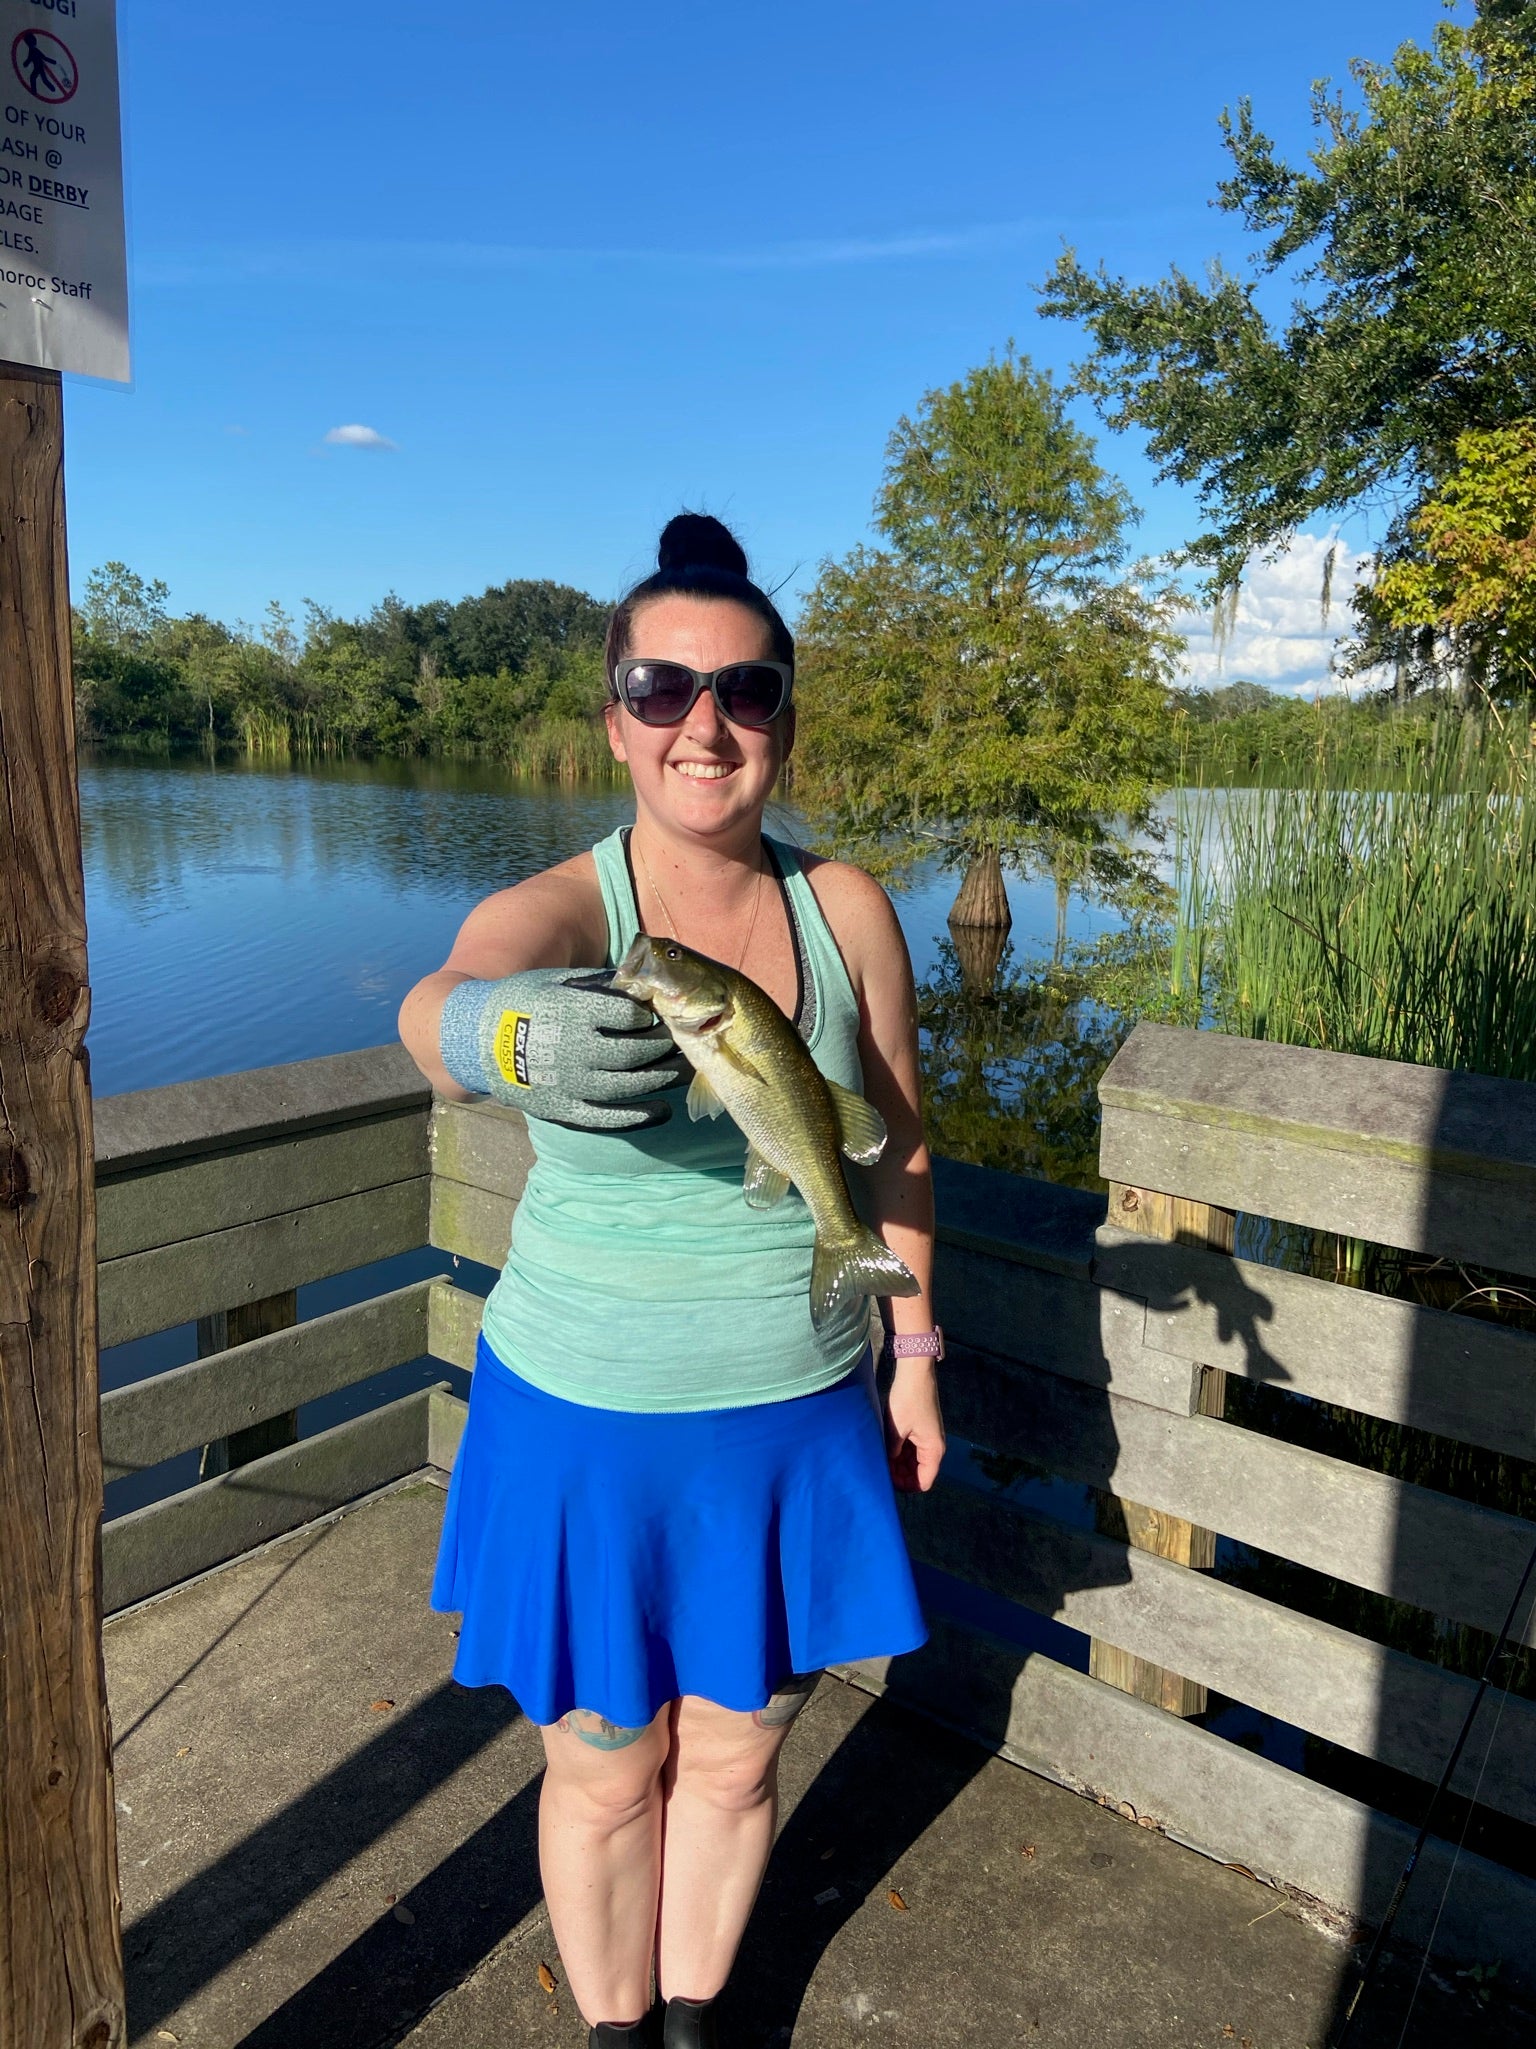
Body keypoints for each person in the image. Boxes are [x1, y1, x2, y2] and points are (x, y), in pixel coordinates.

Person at [397, 513, 945, 2047]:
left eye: (748, 690)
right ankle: (616, 2031)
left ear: (784, 717)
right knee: (601, 1766)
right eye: (662, 687)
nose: (706, 724)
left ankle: (700, 2025)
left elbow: (894, 1146)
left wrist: (912, 1351)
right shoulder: (578, 909)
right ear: (616, 721)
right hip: (582, 1424)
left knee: (736, 1759)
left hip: (790, 1418)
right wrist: (508, 1036)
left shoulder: (846, 913)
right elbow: (435, 1000)